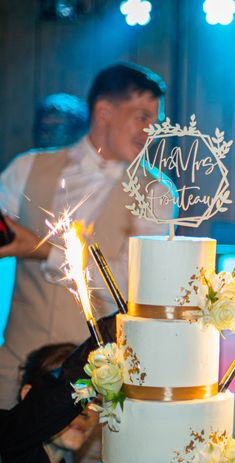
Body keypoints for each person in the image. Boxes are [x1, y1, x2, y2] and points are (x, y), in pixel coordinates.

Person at [0, 62, 173, 410]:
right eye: (141, 117)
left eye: (156, 121)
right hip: (14, 367)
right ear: (104, 112)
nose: (151, 130)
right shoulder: (27, 167)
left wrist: (43, 250)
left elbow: (131, 288)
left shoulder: (157, 192)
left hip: (94, 378)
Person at [0, 314, 117, 463]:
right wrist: (120, 326)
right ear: (27, 394)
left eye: (96, 401)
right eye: (81, 396)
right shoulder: (6, 438)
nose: (86, 411)